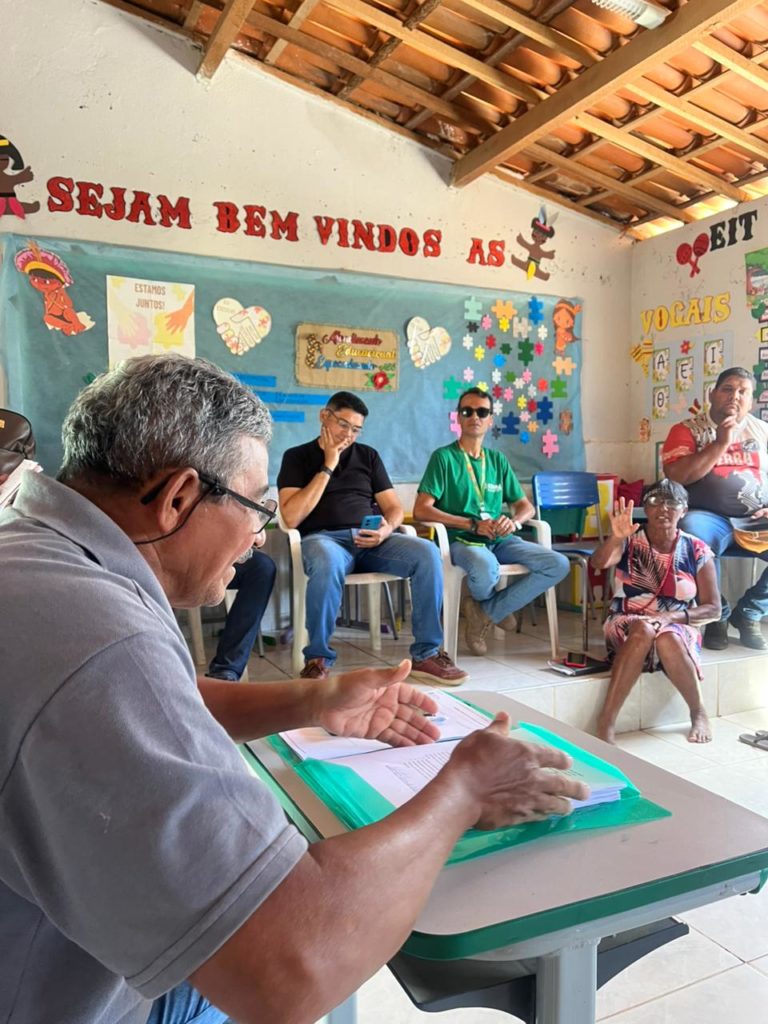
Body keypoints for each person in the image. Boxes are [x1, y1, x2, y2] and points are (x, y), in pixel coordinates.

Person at [0, 355, 590, 1024]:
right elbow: (289, 970)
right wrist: (465, 789)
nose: (256, 542)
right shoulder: (97, 638)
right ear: (177, 498)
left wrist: (310, 702)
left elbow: (159, 695)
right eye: (253, 509)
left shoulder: (40, 555)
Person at [277, 391, 468, 684]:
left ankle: (426, 655)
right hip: (325, 541)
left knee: (427, 552)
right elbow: (291, 517)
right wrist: (328, 464)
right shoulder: (296, 457)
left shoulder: (368, 456)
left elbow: (393, 508)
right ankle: (318, 659)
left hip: (371, 540)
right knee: (326, 561)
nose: (348, 434)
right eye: (343, 425)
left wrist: (385, 530)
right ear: (324, 416)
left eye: (356, 429)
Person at [413, 387, 570, 656]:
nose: (475, 416)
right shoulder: (444, 458)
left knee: (557, 563)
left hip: (500, 538)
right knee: (486, 567)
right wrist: (471, 524)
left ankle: (485, 611)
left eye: (482, 412)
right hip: (461, 540)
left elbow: (524, 506)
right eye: (467, 411)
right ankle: (493, 609)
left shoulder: (497, 460)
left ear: (490, 420)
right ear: (458, 418)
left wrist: (515, 523)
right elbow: (421, 510)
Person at [591, 480, 719, 746]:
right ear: (644, 508)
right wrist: (616, 536)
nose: (664, 508)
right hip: (626, 624)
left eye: (673, 503)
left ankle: (698, 711)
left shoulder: (696, 549)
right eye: (655, 501)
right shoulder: (629, 541)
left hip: (678, 626)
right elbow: (598, 563)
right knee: (643, 629)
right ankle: (607, 721)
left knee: (667, 636)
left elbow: (714, 608)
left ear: (684, 511)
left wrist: (669, 618)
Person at [662, 366, 768, 651]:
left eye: (743, 391)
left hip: (757, 519)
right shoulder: (686, 430)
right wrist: (721, 443)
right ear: (712, 394)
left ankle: (750, 612)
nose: (735, 396)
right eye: (728, 389)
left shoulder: (762, 432)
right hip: (708, 517)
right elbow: (677, 476)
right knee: (691, 532)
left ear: (752, 399)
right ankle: (716, 614)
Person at [205, 552, 277, 680]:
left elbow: (258, 538)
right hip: (175, 556)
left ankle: (226, 669)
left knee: (262, 567)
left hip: (218, 553)